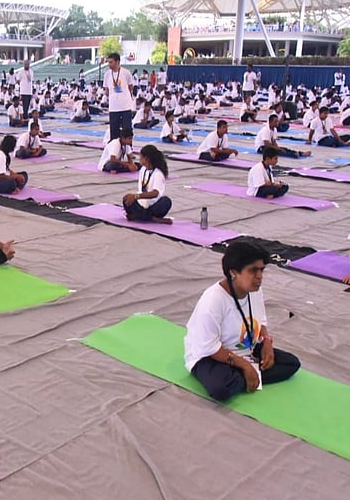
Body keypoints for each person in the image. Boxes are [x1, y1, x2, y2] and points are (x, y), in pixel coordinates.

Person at [183, 241, 301, 401]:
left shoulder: (254, 290)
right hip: (212, 355)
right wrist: (245, 365)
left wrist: (267, 343)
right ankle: (248, 374)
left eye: (262, 270)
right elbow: (210, 347)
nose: (259, 276)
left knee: (291, 364)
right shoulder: (213, 301)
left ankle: (244, 377)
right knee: (220, 390)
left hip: (247, 348)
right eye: (253, 270)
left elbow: (261, 322)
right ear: (233, 273)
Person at [122, 145, 172, 223]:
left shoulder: (158, 173)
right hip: (141, 203)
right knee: (126, 199)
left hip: (153, 204)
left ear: (146, 159)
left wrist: (136, 196)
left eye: (141, 156)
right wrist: (134, 197)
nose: (139, 158)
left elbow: (155, 193)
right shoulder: (143, 170)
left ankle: (141, 216)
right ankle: (150, 218)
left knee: (166, 201)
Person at [104, 53, 134, 141]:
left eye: (111, 62)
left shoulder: (126, 73)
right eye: (108, 62)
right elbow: (106, 90)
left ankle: (128, 149)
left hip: (125, 106)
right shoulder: (107, 74)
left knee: (127, 131)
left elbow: (130, 87)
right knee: (114, 132)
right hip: (113, 107)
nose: (109, 64)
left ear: (117, 62)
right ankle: (115, 151)